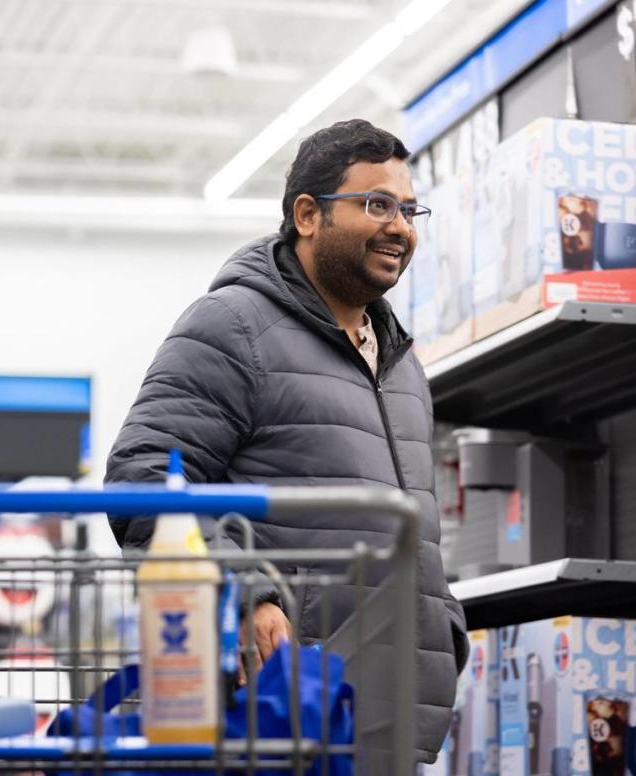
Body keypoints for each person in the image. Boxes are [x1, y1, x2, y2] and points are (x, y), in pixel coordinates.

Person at [105, 119, 468, 763]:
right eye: (377, 204)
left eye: (409, 210)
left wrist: (443, 623)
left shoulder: (403, 364)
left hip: (388, 715)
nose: (401, 227)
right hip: (277, 713)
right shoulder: (233, 326)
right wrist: (242, 594)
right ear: (308, 213)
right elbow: (145, 472)